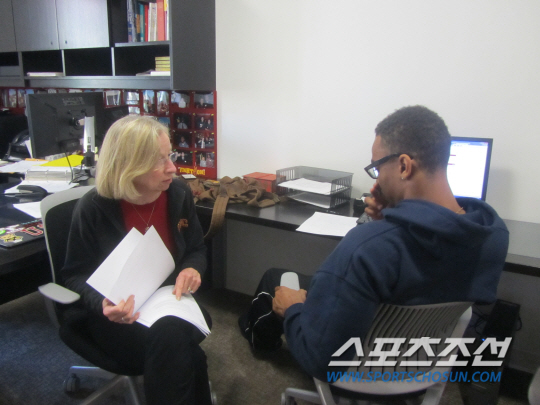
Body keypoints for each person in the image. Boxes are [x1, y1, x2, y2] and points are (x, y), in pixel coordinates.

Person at [238, 105, 509, 381]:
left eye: (377, 168)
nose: (377, 179)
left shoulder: (368, 248)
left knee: (276, 280)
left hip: (354, 370)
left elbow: (321, 361)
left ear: (403, 166)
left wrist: (293, 309)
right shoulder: (493, 235)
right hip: (416, 362)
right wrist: (388, 219)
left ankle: (262, 342)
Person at [60, 115, 214, 405]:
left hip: (168, 302)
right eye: (159, 160)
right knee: (182, 348)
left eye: (170, 155)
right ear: (128, 165)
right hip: (118, 315)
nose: (172, 168)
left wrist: (192, 268)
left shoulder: (178, 194)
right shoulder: (93, 207)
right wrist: (103, 303)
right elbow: (74, 274)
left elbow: (196, 248)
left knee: (171, 337)